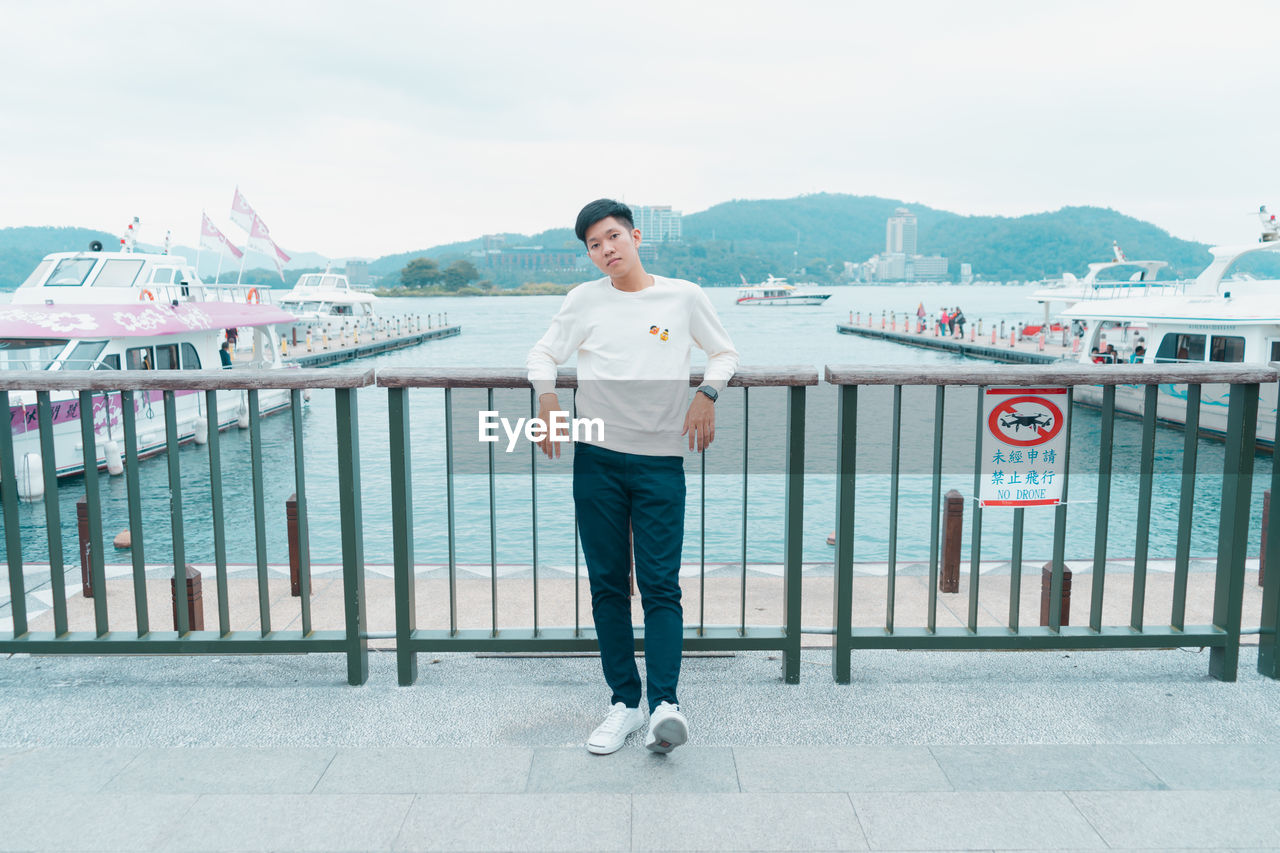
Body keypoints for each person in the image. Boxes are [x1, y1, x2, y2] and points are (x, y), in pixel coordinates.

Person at [527, 199, 739, 756]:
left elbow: (724, 353)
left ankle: (665, 705)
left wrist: (707, 393)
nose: (606, 251)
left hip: (660, 461)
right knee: (607, 585)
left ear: (636, 236)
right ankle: (623, 703)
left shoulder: (683, 296)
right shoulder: (583, 300)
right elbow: (543, 355)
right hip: (595, 457)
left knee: (660, 585)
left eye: (613, 237)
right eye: (594, 245)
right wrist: (547, 401)